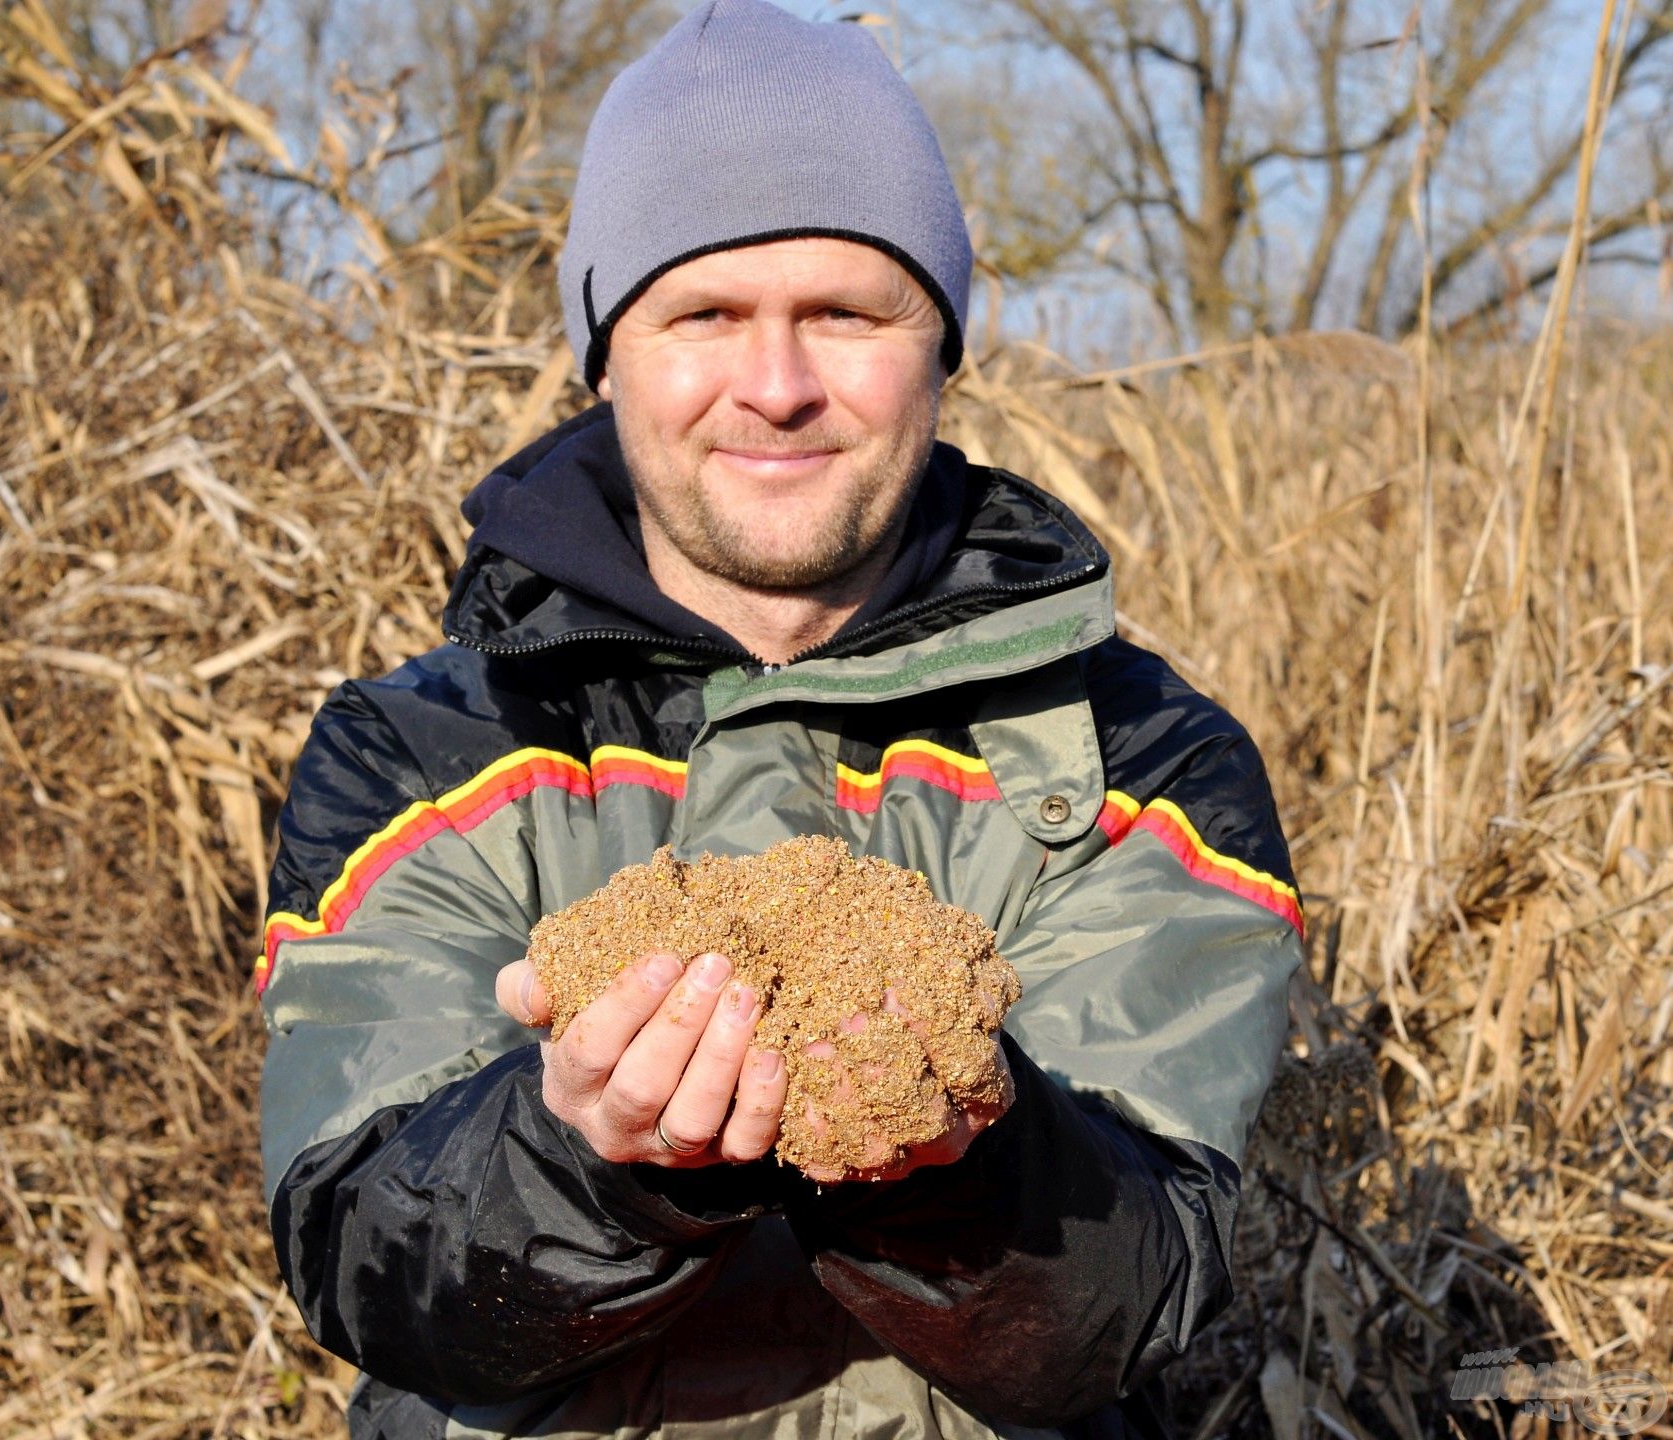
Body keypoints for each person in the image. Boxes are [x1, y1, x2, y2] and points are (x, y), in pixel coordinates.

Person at [254, 2, 1305, 1437]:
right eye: (706, 316)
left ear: (939, 348)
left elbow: (1130, 1318)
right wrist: (591, 1163)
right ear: (609, 354)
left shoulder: (1143, 764)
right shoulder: (419, 752)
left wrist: (948, 1163)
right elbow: (363, 1270)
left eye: (845, 314)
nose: (778, 385)